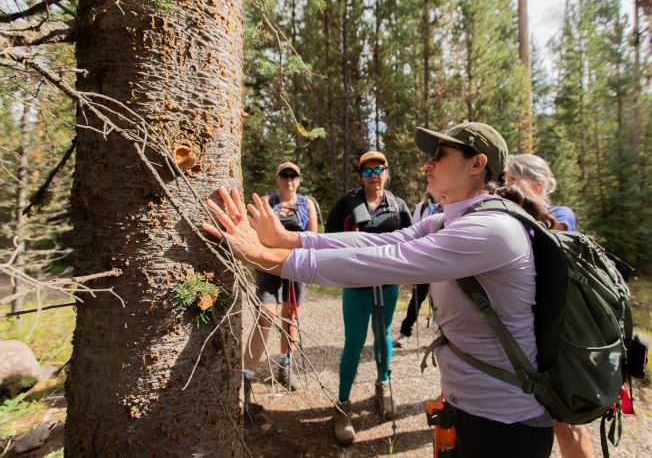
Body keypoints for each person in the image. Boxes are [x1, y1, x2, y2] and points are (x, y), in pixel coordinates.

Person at [203, 122, 555, 457]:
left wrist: (264, 256)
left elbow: (387, 259)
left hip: (505, 425)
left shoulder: (490, 229)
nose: (427, 163)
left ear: (477, 164)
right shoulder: (450, 218)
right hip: (469, 411)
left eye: (440, 154)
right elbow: (378, 241)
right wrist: (290, 239)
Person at [506, 153, 593, 458]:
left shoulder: (561, 213)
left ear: (538, 183)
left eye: (513, 182)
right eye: (505, 182)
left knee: (565, 423)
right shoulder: (511, 218)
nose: (507, 188)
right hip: (528, 331)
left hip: (560, 334)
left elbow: (554, 231)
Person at [323, 150, 412, 443]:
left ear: (387, 173)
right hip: (357, 285)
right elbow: (329, 238)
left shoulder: (398, 205)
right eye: (367, 171)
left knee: (383, 335)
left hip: (387, 285)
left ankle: (382, 385)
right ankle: (343, 405)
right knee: (354, 341)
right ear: (360, 176)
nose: (373, 176)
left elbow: (412, 240)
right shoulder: (348, 202)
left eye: (379, 170)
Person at [242, 162, 318, 410]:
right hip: (268, 265)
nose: (288, 180)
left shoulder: (307, 204)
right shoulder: (267, 201)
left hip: (296, 265)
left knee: (291, 315)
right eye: (284, 175)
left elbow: (313, 236)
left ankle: (287, 365)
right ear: (277, 179)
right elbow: (253, 230)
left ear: (299, 180)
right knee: (266, 316)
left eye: (293, 175)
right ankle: (245, 377)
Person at [393, 191, 443, 349]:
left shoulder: (451, 206)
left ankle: (443, 335)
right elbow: (414, 231)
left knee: (442, 301)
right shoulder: (422, 207)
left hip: (444, 263)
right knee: (416, 299)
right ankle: (405, 332)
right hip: (424, 261)